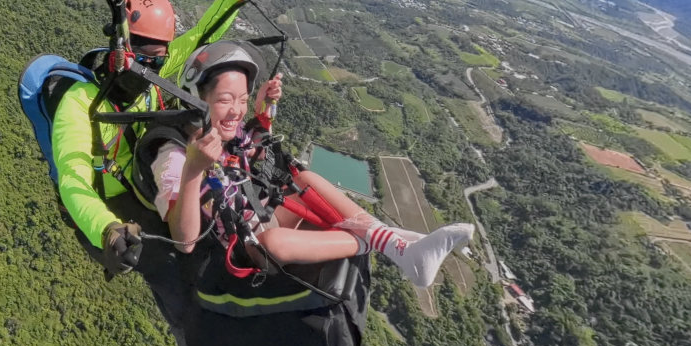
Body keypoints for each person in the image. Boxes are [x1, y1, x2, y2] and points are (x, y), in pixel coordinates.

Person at [50, 0, 291, 279]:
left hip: (159, 163)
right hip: (122, 194)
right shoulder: (78, 104)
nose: (152, 67)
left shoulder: (160, 65)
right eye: (145, 56)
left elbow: (207, 30)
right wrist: (106, 228)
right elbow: (72, 179)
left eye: (160, 58)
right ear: (122, 48)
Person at [153, 41, 474, 288]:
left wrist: (265, 109)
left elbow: (256, 149)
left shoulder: (229, 132)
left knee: (303, 178)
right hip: (245, 247)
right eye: (225, 100)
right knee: (274, 243)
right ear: (196, 99)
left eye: (242, 99)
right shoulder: (176, 155)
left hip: (260, 216)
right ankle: (393, 245)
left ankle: (393, 245)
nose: (237, 110)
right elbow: (185, 242)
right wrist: (194, 170)